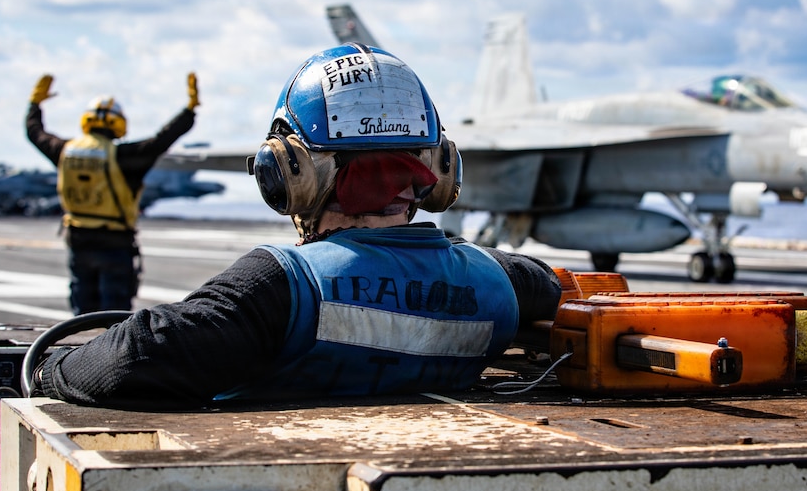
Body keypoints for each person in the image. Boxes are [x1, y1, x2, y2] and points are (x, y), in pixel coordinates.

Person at [29, 44, 561, 410]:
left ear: (290, 173)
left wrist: (48, 371)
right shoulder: (506, 284)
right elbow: (551, 287)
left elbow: (134, 358)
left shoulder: (281, 285)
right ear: (440, 171)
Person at [26, 73, 199, 315]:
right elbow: (162, 139)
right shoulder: (124, 156)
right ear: (117, 123)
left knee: (82, 316)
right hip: (114, 244)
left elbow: (35, 132)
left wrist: (35, 105)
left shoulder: (65, 151)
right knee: (114, 319)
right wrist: (189, 111)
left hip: (78, 241)